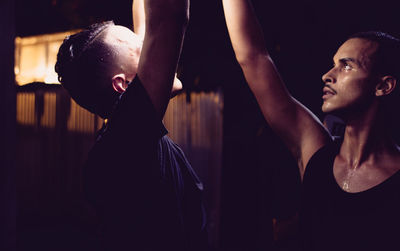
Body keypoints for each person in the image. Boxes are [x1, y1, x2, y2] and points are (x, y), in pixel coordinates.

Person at [222, 0, 400, 250]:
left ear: (383, 86)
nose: (327, 74)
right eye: (334, 63)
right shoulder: (315, 151)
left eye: (346, 65)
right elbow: (253, 58)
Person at [55, 0, 208, 250]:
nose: (149, 46)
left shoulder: (126, 134)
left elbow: (151, 17)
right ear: (122, 84)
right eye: (142, 50)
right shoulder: (126, 140)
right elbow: (168, 15)